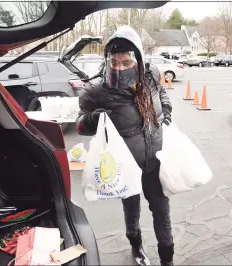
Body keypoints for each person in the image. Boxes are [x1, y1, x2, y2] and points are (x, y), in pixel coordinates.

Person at [75, 26, 174, 266]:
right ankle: (137, 248)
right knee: (132, 210)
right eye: (114, 62)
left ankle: (167, 261)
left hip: (155, 161)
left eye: (126, 62)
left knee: (162, 212)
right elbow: (79, 125)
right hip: (126, 166)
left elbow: (161, 93)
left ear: (138, 61)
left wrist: (167, 112)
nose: (119, 67)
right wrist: (93, 119)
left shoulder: (150, 76)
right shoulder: (97, 90)